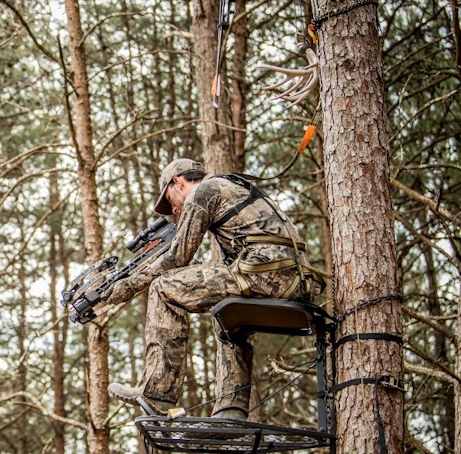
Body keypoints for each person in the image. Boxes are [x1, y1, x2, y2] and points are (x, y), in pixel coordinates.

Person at [105, 158, 321, 421]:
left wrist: (126, 286)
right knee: (227, 316)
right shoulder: (232, 187)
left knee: (163, 288)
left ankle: (157, 394)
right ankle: (231, 410)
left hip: (265, 275)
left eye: (170, 200)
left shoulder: (204, 191)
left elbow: (176, 258)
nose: (174, 210)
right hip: (295, 283)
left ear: (178, 182)